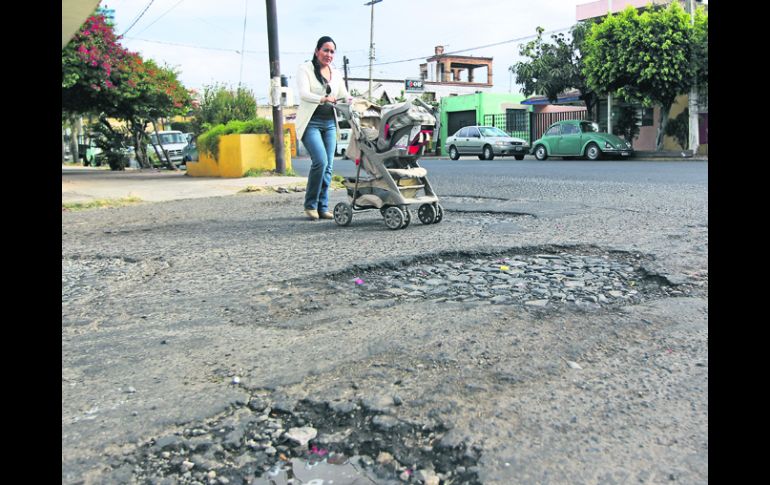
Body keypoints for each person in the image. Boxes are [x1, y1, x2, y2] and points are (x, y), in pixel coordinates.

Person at [296, 36, 351, 220]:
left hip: (329, 124)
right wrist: (322, 99)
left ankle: (322, 206)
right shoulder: (305, 69)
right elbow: (304, 94)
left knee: (328, 166)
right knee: (320, 161)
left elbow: (343, 95)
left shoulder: (335, 73)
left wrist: (351, 100)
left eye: (332, 51)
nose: (329, 54)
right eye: (325, 50)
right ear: (317, 51)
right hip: (311, 122)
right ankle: (310, 204)